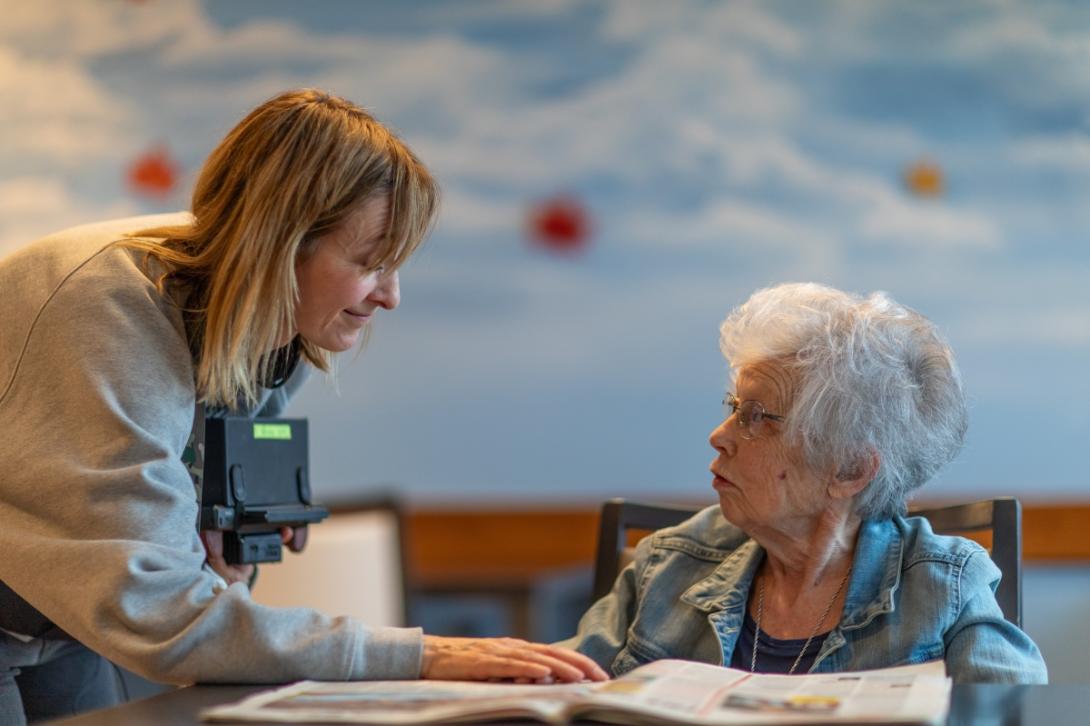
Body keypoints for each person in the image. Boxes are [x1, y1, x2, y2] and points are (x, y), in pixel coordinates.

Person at [0, 89, 605, 724]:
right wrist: (419, 656)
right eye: (371, 262)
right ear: (280, 244)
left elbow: (203, 571)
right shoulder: (108, 312)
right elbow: (166, 616)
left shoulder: (272, 331)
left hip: (55, 620)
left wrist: (226, 555)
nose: (390, 297)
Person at [560, 282, 1047, 683]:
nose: (718, 436)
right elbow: (555, 689)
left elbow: (1017, 715)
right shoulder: (669, 563)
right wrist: (485, 662)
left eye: (756, 417)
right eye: (733, 408)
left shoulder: (944, 587)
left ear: (850, 470)